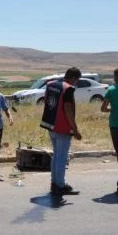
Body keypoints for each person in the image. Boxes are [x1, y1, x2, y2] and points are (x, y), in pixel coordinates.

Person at [40, 67, 83, 195]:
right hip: (62, 127)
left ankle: (54, 182)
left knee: (56, 156)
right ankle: (60, 185)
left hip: (50, 124)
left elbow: (48, 102)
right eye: (76, 80)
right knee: (62, 158)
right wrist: (75, 129)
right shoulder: (68, 89)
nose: (76, 82)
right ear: (73, 78)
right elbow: (68, 109)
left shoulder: (51, 84)